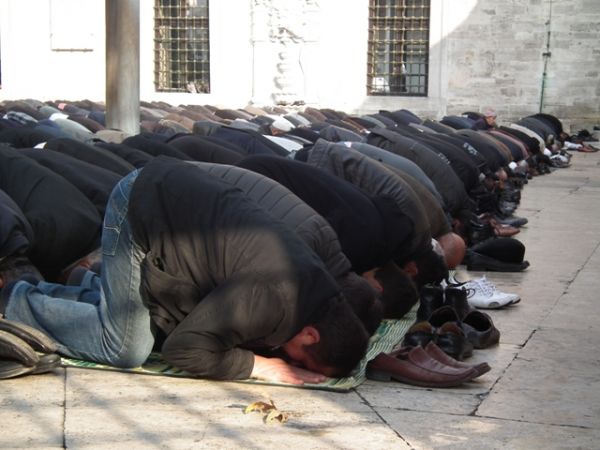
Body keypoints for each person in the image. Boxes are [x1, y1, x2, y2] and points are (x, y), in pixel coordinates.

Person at [0, 156, 369, 385]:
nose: (290, 360)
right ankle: (13, 300)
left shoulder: (316, 290)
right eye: (299, 359)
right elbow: (185, 350)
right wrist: (261, 366)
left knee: (147, 327)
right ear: (310, 334)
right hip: (140, 208)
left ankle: (48, 294)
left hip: (173, 203)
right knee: (126, 347)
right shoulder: (273, 296)